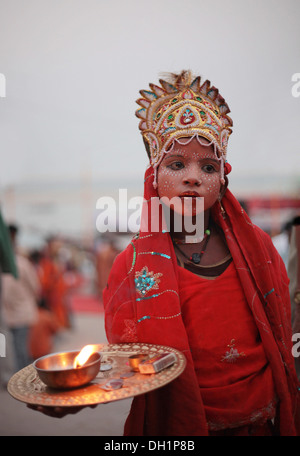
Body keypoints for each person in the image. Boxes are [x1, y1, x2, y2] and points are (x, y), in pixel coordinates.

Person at [103, 70, 300, 436]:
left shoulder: (260, 250)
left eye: (208, 167)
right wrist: (77, 392)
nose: (193, 177)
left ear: (222, 179)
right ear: (155, 177)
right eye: (177, 164)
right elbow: (124, 366)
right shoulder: (129, 266)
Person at [1, 224, 39, 371]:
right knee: (13, 349)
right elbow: (36, 287)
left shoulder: (21, 263)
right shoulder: (20, 263)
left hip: (20, 312)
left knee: (18, 348)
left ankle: (22, 377)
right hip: (8, 313)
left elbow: (35, 287)